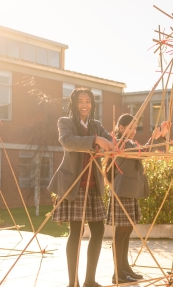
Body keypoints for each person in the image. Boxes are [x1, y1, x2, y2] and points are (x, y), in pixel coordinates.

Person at [48, 88, 113, 287]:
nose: (85, 105)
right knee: (75, 232)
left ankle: (90, 280)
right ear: (74, 103)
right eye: (80, 101)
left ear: (92, 104)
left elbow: (109, 140)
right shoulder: (65, 122)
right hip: (74, 185)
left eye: (88, 101)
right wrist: (95, 140)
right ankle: (72, 282)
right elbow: (68, 143)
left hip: (93, 186)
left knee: (98, 230)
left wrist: (112, 142)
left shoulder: (96, 125)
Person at [105, 113, 170, 284]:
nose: (134, 131)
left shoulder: (131, 142)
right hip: (122, 191)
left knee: (127, 231)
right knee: (120, 233)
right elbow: (141, 154)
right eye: (130, 127)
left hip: (130, 191)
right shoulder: (120, 143)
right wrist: (155, 136)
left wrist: (158, 136)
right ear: (121, 128)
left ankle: (125, 268)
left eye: (135, 127)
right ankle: (117, 273)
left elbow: (142, 152)